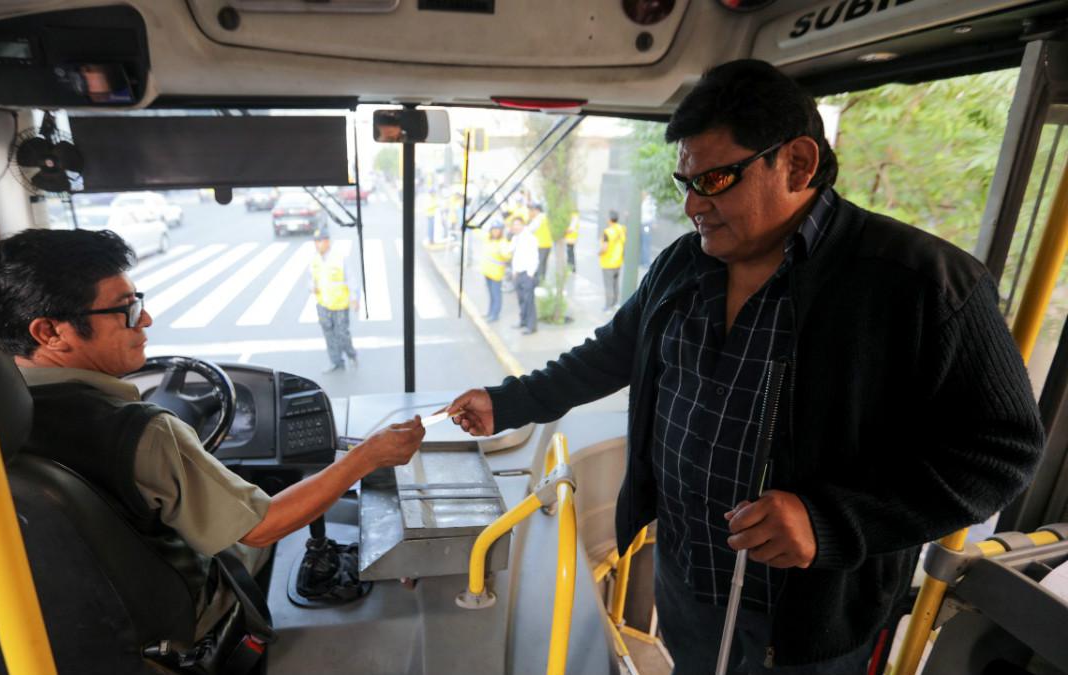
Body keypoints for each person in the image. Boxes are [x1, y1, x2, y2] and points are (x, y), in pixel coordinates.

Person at [445, 59, 1044, 674]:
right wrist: (509, 401)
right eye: (685, 182)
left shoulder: (922, 285)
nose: (691, 205)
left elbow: (1003, 452)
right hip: (686, 578)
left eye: (714, 180)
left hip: (806, 619)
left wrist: (830, 522)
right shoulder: (684, 264)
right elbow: (614, 351)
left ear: (798, 163)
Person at [0, 228, 425, 641]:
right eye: (125, 309)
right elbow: (261, 529)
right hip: (180, 628)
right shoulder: (143, 431)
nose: (145, 320)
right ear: (50, 332)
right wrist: (367, 456)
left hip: (54, 626)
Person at [310, 228, 359, 373]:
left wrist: (354, 298)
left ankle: (351, 353)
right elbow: (311, 279)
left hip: (339, 304)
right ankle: (336, 361)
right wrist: (312, 287)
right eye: (316, 242)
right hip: (323, 304)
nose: (318, 245)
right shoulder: (315, 259)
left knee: (342, 333)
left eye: (320, 241)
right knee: (329, 334)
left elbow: (351, 279)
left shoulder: (339, 258)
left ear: (327, 241)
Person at [509, 216, 540, 335]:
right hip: (518, 273)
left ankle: (531, 326)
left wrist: (530, 273)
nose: (516, 227)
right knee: (521, 299)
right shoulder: (515, 238)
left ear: (523, 225)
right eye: (514, 225)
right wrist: (514, 271)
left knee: (529, 301)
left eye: (518, 224)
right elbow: (514, 255)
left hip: (527, 274)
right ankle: (523, 321)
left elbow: (534, 257)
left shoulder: (530, 238)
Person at [482, 221, 512, 322]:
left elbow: (507, 256)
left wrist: (504, 253)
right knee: (491, 294)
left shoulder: (503, 242)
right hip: (487, 272)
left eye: (497, 230)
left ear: (501, 231)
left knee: (496, 295)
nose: (495, 232)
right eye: (493, 230)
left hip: (496, 273)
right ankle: (490, 312)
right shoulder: (489, 240)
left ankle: (495, 314)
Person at [599, 210, 626, 310]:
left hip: (608, 263)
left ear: (610, 220)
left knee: (608, 285)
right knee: (615, 283)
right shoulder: (621, 229)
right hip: (618, 261)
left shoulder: (607, 232)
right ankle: (615, 303)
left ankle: (608, 306)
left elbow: (604, 247)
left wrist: (599, 253)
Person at [530, 202, 553, 284]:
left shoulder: (538, 219)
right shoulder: (546, 217)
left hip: (540, 244)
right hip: (548, 244)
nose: (531, 212)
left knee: (539, 264)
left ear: (536, 210)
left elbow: (530, 230)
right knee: (544, 264)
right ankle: (542, 281)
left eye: (532, 210)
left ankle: (538, 282)